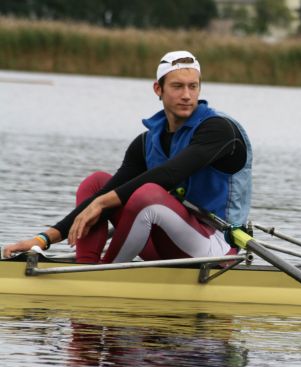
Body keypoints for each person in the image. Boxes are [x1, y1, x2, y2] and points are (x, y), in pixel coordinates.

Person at [2, 50, 252, 263]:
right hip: (164, 243)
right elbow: (108, 191)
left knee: (147, 194)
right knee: (96, 184)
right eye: (177, 86)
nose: (187, 95)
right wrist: (42, 239)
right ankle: (86, 265)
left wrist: (101, 203)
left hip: (214, 246)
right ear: (158, 89)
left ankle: (101, 275)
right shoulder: (145, 143)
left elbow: (170, 174)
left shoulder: (219, 130)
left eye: (193, 86)